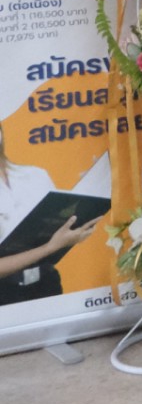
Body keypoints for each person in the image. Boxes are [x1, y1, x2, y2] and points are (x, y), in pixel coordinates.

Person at [0, 124, 99, 304]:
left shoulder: (35, 175)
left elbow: (58, 228)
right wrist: (49, 248)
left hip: (47, 284)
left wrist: (90, 200)